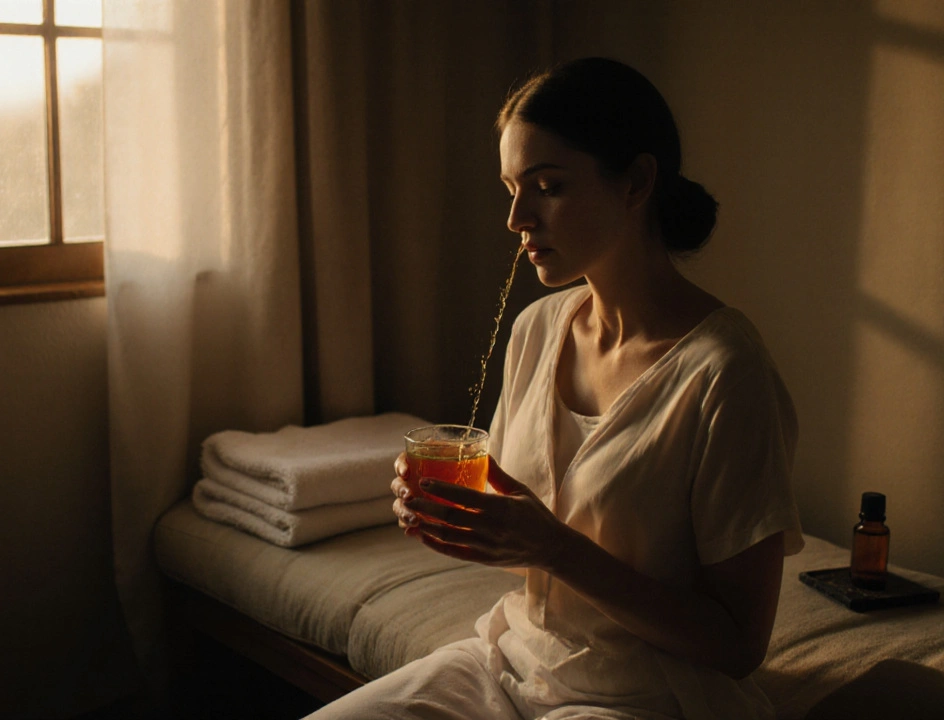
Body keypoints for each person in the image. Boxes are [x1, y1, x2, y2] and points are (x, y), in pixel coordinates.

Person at [305, 57, 803, 720]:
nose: (516, 217)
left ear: (636, 183)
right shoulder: (539, 328)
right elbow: (530, 528)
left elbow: (738, 644)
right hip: (509, 664)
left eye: (546, 186)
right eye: (511, 187)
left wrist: (552, 548)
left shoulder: (722, 372)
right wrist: (473, 517)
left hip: (644, 697)